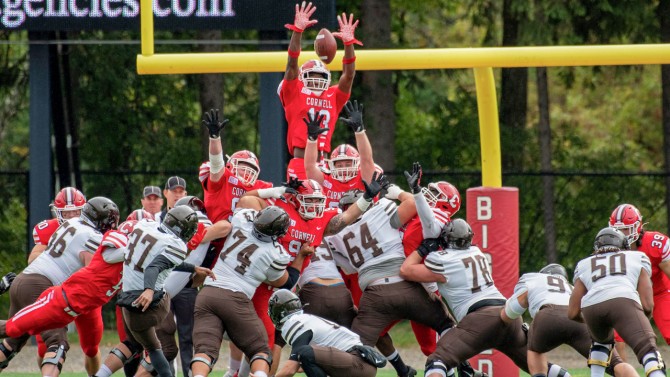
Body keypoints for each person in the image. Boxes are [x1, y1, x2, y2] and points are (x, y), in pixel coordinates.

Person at [400, 219, 568, 377]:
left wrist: (422, 249)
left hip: (480, 319)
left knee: (437, 360)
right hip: (509, 316)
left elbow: (406, 271)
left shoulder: (445, 260)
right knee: (539, 365)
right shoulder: (477, 252)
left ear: (446, 240)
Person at [0, 197, 119, 377]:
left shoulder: (70, 224)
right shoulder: (92, 236)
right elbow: (92, 270)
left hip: (24, 280)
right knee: (57, 343)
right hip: (42, 285)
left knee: (12, 341)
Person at [96, 206, 214, 377]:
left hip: (127, 303)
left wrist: (193, 267)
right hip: (150, 305)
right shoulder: (176, 245)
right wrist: (150, 290)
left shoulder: (144, 226)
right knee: (162, 347)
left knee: (148, 347)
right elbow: (154, 267)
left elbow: (159, 260)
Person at [199, 108, 273, 376]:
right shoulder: (222, 178)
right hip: (213, 250)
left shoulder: (261, 190)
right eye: (241, 167)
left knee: (249, 317)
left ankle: (234, 371)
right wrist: (215, 137)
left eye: (250, 169)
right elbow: (217, 164)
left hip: (243, 255)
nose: (245, 172)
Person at [190, 206, 305, 377]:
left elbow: (245, 206)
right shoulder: (276, 253)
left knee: (205, 349)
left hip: (208, 292)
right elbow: (285, 282)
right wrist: (301, 256)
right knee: (260, 350)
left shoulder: (242, 219)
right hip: (236, 298)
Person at [501, 264, 637, 377]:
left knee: (535, 351)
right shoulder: (573, 288)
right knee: (617, 364)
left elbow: (510, 313)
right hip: (580, 320)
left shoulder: (534, 279)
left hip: (548, 315)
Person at [569, 227, 664, 377]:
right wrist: (639, 322)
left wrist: (590, 320)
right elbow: (647, 305)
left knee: (600, 344)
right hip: (623, 301)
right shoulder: (637, 257)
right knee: (648, 350)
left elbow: (572, 312)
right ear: (623, 245)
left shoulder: (584, 264)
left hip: (591, 308)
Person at [279, 1, 359, 179]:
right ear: (302, 77)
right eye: (312, 75)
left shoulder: (333, 95)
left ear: (327, 79)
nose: (316, 79)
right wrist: (297, 31)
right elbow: (292, 63)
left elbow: (349, 74)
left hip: (325, 164)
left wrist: (348, 44)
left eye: (320, 76)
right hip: (300, 163)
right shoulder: (295, 92)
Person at [269, 290, 386, 377]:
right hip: (359, 363)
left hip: (357, 363)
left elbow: (291, 369)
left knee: (304, 353)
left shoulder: (294, 322)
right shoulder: (306, 319)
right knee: (305, 357)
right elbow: (301, 365)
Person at [608, 204, 670, 360]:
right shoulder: (608, 248)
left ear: (638, 227)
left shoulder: (655, 243)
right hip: (625, 296)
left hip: (658, 293)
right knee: (615, 338)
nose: (621, 234)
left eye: (625, 229)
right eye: (617, 229)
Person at [304, 100, 375, 208]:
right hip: (335, 224)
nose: (343, 169)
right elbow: (309, 167)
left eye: (347, 164)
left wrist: (359, 130)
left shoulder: (363, 178)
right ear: (332, 165)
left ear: (357, 163)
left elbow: (366, 158)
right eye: (339, 165)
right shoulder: (327, 180)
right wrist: (312, 139)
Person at [29, 187, 87, 263]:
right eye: (66, 212)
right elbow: (32, 259)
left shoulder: (92, 227)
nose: (72, 215)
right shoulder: (49, 229)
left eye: (76, 211)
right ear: (58, 212)